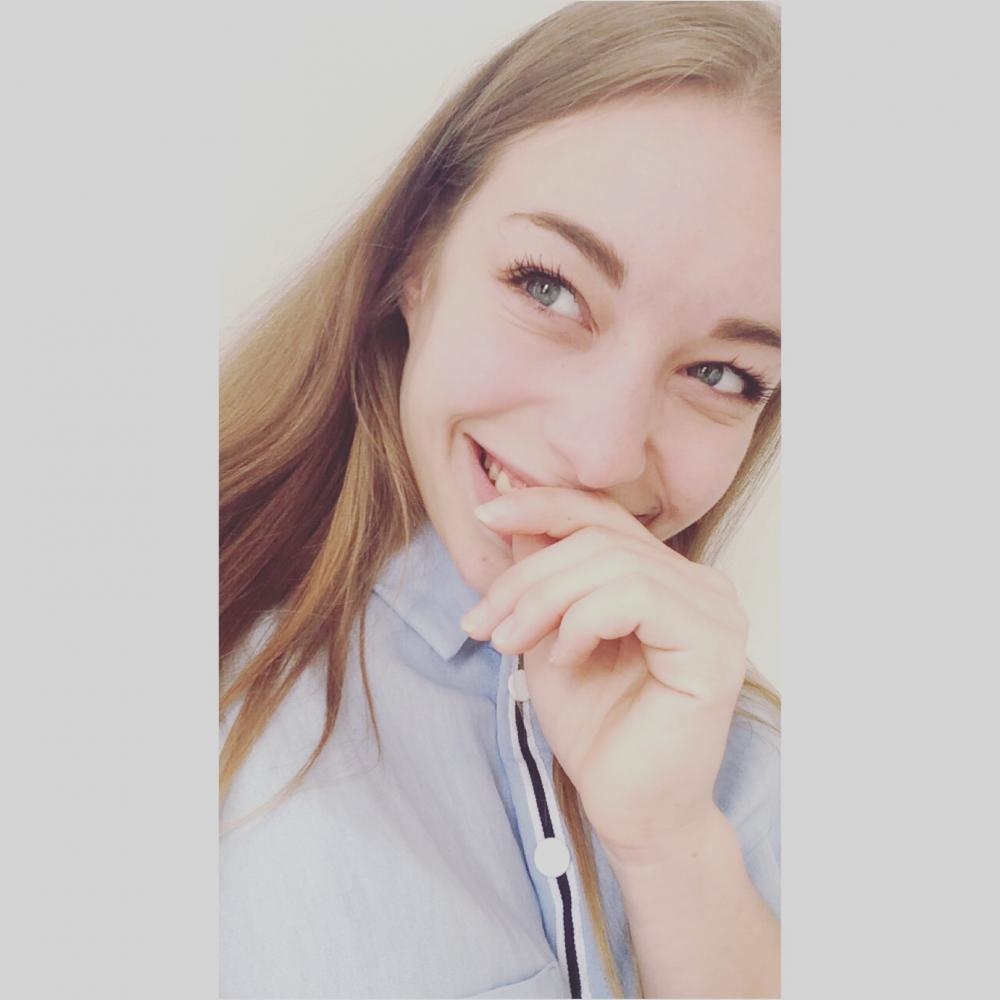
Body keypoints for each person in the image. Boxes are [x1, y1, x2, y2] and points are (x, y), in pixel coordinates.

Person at [220, 2, 781, 997]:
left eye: (721, 374)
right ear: (417, 255)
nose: (600, 450)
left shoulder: (745, 771)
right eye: (549, 288)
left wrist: (671, 851)